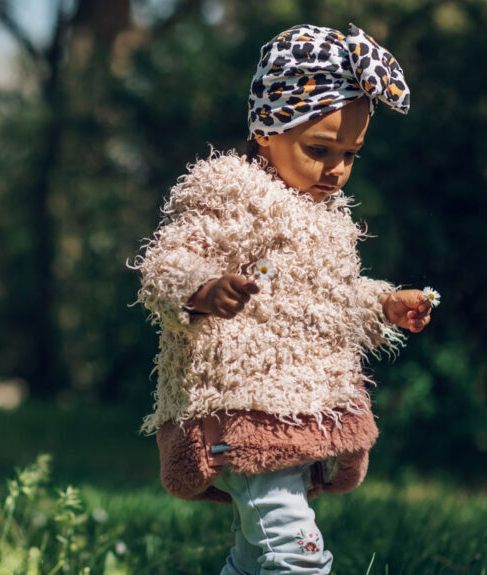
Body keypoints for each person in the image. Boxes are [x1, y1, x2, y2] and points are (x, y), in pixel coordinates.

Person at [133, 24, 432, 573]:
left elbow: (331, 302)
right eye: (320, 149)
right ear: (268, 128)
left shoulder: (328, 220)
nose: (337, 169)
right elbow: (163, 266)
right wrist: (203, 289)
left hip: (301, 414)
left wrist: (386, 304)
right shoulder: (229, 195)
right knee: (297, 554)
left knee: (258, 555)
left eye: (352, 153)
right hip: (241, 410)